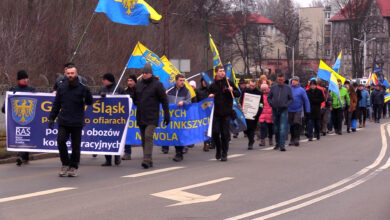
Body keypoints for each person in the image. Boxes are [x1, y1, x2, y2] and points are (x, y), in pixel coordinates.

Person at [48, 64, 93, 177]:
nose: (70, 75)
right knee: (61, 141)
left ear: (76, 74)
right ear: (65, 74)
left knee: (75, 146)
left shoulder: (82, 87)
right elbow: (56, 104)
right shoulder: (61, 87)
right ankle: (65, 163)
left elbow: (89, 102)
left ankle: (73, 166)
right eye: (68, 73)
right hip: (64, 121)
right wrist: (51, 118)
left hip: (77, 122)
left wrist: (88, 92)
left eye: (72, 73)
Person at [134, 63, 169, 169]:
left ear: (151, 73)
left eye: (146, 73)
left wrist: (167, 114)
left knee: (148, 136)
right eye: (143, 73)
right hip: (141, 115)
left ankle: (146, 159)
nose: (144, 75)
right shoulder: (139, 84)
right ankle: (148, 160)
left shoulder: (157, 84)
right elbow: (135, 98)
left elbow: (164, 100)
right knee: (143, 138)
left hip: (152, 116)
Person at [1, 70, 35, 166]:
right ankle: (20, 156)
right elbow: (5, 106)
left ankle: (24, 156)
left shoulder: (31, 89)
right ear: (18, 80)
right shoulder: (13, 90)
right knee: (20, 138)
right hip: (16, 120)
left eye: (26, 78)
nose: (25, 80)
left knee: (27, 137)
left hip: (29, 119)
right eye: (22, 79)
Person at [208, 65, 240, 161]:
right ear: (216, 73)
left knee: (225, 134)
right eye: (220, 71)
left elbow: (238, 94)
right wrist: (210, 95)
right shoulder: (213, 85)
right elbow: (206, 97)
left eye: (223, 71)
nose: (222, 73)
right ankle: (218, 149)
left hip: (226, 112)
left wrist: (232, 90)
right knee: (215, 133)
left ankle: (224, 153)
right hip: (216, 113)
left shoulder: (229, 82)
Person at [161, 74, 192, 162]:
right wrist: (163, 95)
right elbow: (163, 100)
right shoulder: (169, 90)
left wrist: (183, 102)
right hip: (171, 116)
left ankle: (179, 153)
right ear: (176, 81)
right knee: (172, 134)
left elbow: (189, 102)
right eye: (181, 80)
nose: (182, 82)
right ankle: (174, 150)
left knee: (179, 135)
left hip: (180, 117)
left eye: (183, 80)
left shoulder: (186, 91)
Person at [99, 73, 125, 166]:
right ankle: (108, 159)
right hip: (105, 119)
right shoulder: (102, 89)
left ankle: (117, 156)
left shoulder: (119, 89)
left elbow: (126, 102)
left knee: (116, 138)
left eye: (104, 79)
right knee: (106, 139)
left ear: (108, 80)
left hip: (117, 119)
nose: (102, 81)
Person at [267, 73, 293, 151]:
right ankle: (277, 143)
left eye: (281, 80)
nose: (280, 81)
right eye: (279, 80)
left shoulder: (288, 88)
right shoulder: (273, 87)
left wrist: (286, 105)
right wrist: (271, 103)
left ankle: (282, 145)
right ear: (277, 79)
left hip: (283, 110)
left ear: (284, 80)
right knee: (276, 128)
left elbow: (291, 99)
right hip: (275, 109)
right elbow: (269, 97)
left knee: (282, 128)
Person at [240, 79, 263, 150]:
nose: (252, 87)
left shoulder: (259, 93)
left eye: (253, 86)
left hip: (254, 113)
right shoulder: (245, 90)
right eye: (250, 86)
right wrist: (242, 106)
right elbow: (241, 99)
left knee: (252, 128)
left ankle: (250, 142)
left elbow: (261, 104)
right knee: (246, 129)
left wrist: (258, 112)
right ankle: (250, 139)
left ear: (255, 85)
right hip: (246, 112)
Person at [288, 76, 310, 146]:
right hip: (289, 109)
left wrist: (308, 109)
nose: (293, 81)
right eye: (292, 80)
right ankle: (292, 138)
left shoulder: (301, 90)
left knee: (296, 123)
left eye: (295, 80)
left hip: (298, 109)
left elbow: (306, 100)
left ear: (298, 82)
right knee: (291, 124)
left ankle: (296, 138)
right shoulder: (289, 89)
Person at [122, 75, 137, 160]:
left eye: (131, 80)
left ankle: (146, 153)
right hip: (127, 116)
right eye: (128, 81)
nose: (129, 82)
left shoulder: (139, 90)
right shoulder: (125, 91)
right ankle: (127, 153)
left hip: (137, 116)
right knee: (127, 134)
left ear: (135, 81)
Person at [196, 77, 211, 151]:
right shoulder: (198, 90)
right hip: (202, 112)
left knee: (211, 128)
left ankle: (211, 142)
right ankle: (206, 143)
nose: (204, 82)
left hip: (210, 111)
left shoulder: (210, 90)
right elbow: (196, 102)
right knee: (205, 128)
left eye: (206, 81)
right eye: (203, 81)